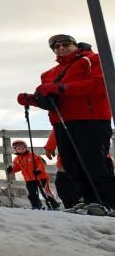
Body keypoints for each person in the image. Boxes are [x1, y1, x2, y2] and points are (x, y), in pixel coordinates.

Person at [17, 35, 114, 210]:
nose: (61, 48)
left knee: (94, 161)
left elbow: (100, 85)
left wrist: (60, 88)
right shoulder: (48, 74)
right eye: (56, 47)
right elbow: (53, 101)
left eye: (66, 44)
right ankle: (91, 200)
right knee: (71, 164)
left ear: (75, 45)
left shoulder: (92, 59)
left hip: (92, 119)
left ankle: (108, 203)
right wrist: (32, 100)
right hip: (62, 122)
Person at [5, 139, 58, 210]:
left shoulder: (33, 155)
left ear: (26, 148)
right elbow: (17, 168)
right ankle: (36, 206)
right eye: (19, 149)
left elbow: (42, 163)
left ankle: (53, 206)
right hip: (29, 179)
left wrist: (38, 170)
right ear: (16, 150)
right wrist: (11, 170)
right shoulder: (17, 159)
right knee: (31, 194)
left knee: (46, 192)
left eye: (23, 148)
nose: (21, 150)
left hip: (40, 177)